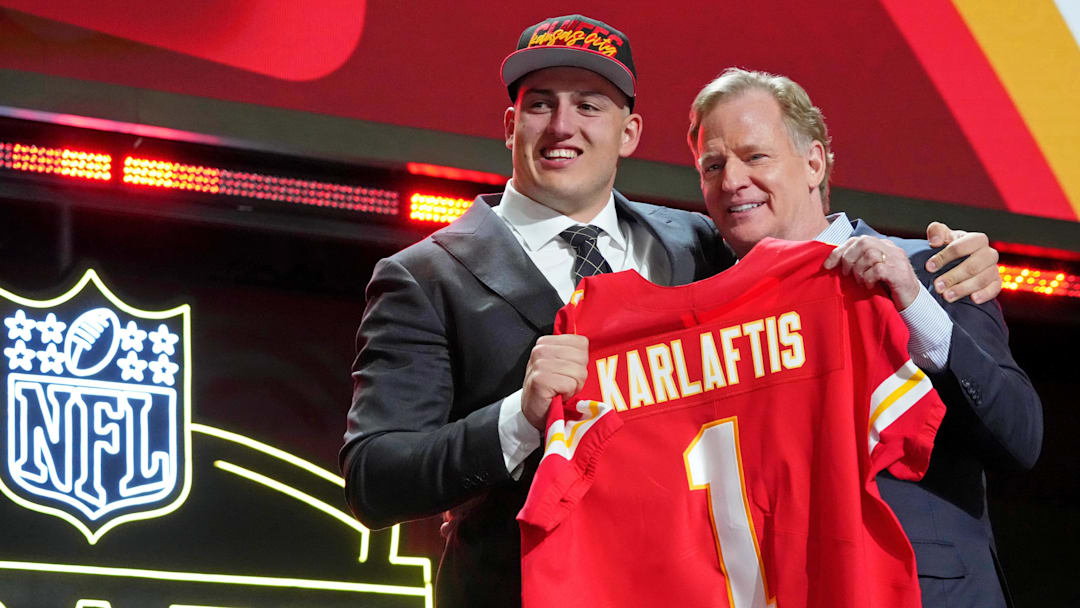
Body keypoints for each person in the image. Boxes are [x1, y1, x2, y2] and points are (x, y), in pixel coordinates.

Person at [340, 15, 1004, 607]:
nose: (563, 126)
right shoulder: (422, 277)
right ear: (511, 125)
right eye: (540, 104)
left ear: (628, 133)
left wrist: (934, 260)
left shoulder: (702, 243)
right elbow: (375, 477)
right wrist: (521, 417)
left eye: (589, 105)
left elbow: (813, 247)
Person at [686, 67, 1043, 607]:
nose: (732, 179)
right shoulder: (708, 314)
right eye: (713, 165)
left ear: (814, 162)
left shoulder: (937, 268)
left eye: (755, 156)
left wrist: (914, 305)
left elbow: (1021, 436)